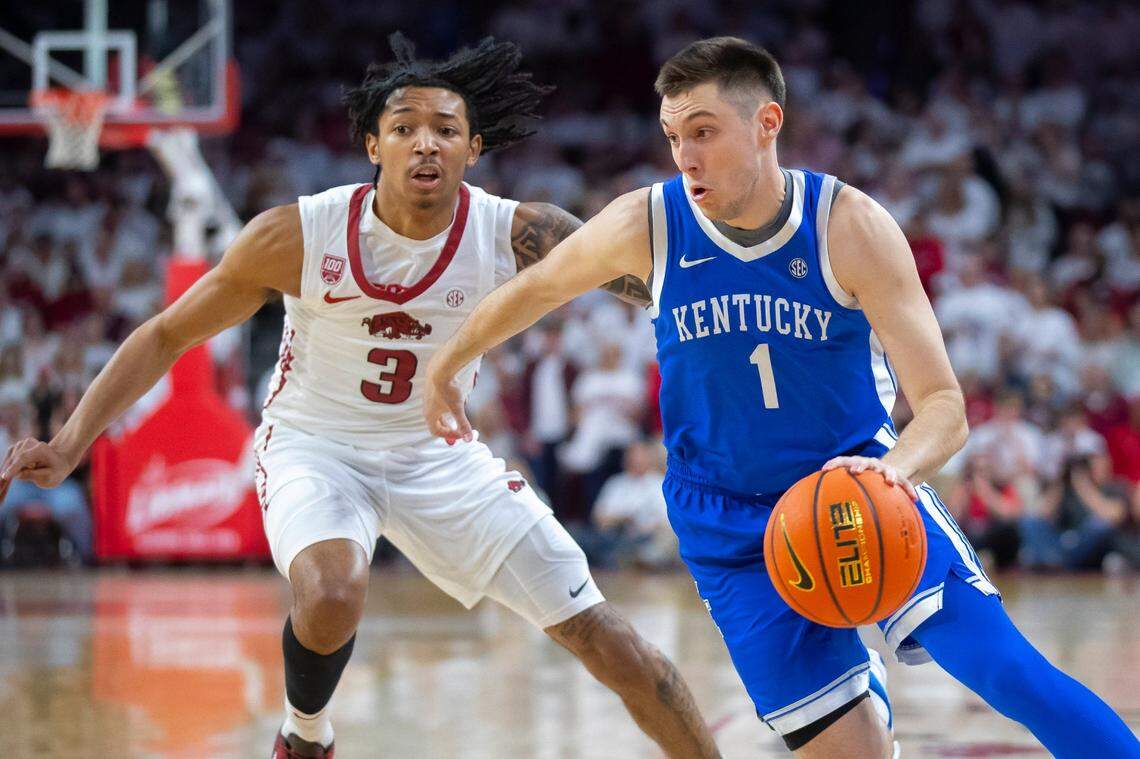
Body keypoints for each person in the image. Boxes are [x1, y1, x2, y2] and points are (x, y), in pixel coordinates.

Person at [0, 35, 719, 759]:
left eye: (445, 129)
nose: (425, 143)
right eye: (404, 127)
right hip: (315, 445)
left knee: (619, 646)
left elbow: (660, 286)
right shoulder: (298, 235)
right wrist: (69, 444)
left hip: (439, 455)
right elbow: (163, 335)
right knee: (333, 590)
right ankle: (306, 733)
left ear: (474, 149)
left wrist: (745, 263)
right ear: (373, 144)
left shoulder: (516, 232)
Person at [424, 37, 1140, 759]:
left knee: (1010, 674)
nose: (685, 156)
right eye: (674, 136)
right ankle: (861, 695)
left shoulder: (847, 225)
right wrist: (448, 362)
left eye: (703, 131)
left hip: (859, 485)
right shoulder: (650, 223)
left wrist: (892, 474)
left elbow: (943, 406)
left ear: (767, 123)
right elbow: (537, 286)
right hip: (729, 523)